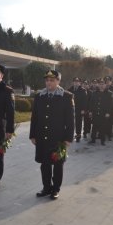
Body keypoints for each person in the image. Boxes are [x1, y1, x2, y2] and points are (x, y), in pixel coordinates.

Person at [29, 70, 75, 200]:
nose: (49, 82)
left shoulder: (66, 96)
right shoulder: (40, 96)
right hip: (42, 136)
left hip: (58, 138)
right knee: (44, 164)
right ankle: (46, 187)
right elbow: (35, 117)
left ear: (58, 81)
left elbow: (70, 120)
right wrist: (32, 134)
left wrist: (68, 138)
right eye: (47, 80)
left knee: (58, 164)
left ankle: (56, 189)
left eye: (52, 80)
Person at [88, 79, 113, 145]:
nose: (101, 86)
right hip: (96, 112)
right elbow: (91, 103)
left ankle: (102, 140)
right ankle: (93, 139)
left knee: (103, 127)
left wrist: (108, 113)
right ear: (98, 85)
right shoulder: (94, 93)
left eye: (103, 84)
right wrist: (90, 111)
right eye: (100, 84)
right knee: (94, 127)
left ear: (105, 85)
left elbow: (110, 104)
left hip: (104, 113)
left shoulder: (109, 93)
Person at [68, 77, 87, 142]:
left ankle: (78, 135)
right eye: (75, 81)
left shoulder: (83, 90)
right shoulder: (69, 90)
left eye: (77, 82)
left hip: (79, 109)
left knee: (78, 123)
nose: (76, 83)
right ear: (73, 82)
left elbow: (84, 101)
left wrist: (83, 109)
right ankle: (70, 135)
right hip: (71, 109)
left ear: (80, 83)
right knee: (70, 122)